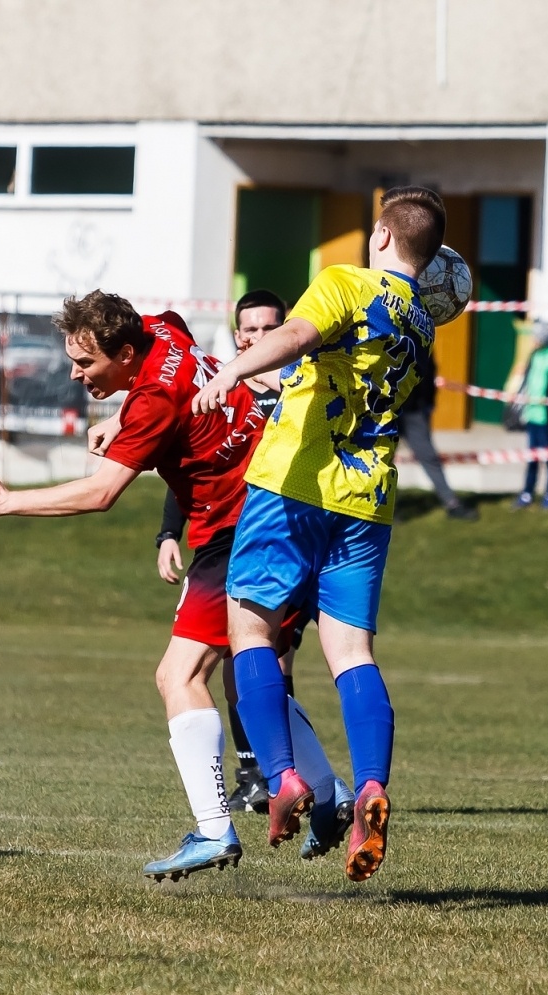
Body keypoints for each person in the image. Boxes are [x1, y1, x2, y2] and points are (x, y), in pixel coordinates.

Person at [0, 292, 353, 883]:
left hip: (238, 528)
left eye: (85, 363)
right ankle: (331, 795)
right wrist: (119, 418)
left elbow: (100, 493)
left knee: (178, 677)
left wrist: (6, 502)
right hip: (287, 509)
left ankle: (214, 830)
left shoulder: (152, 403)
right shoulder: (160, 327)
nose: (75, 374)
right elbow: (172, 359)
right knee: (246, 678)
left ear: (125, 352)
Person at [190, 185, 445, 882]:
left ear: (383, 236)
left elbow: (298, 336)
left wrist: (233, 369)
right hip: (368, 500)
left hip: (295, 485)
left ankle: (282, 776)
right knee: (352, 651)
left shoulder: (346, 282)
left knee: (249, 630)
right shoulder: (422, 322)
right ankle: (370, 786)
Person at [144, 291, 314, 813]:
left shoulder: (299, 388)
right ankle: (268, 775)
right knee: (243, 664)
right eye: (249, 330)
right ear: (237, 335)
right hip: (228, 539)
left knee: (265, 661)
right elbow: (191, 464)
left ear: (286, 331)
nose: (257, 338)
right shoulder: (222, 384)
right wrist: (168, 534)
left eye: (268, 330)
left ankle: (284, 775)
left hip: (282, 535)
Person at [398, 347, 478, 521]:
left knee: (429, 457)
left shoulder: (422, 339)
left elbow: (429, 371)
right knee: (380, 461)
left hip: (415, 411)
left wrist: (428, 403)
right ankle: (383, 508)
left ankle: (451, 503)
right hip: (387, 411)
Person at [512, 321, 548, 510]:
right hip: (532, 414)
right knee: (532, 456)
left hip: (546, 416)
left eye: (535, 336)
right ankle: (527, 492)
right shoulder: (535, 355)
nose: (533, 340)